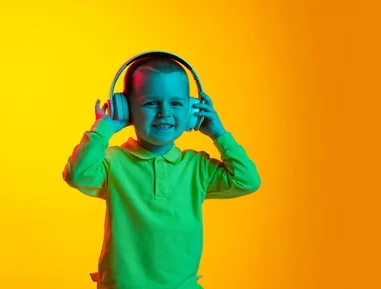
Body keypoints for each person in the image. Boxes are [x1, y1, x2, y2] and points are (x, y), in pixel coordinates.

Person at [62, 56, 261, 289]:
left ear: (191, 111)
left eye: (176, 104)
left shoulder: (197, 167)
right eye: (150, 103)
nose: (164, 113)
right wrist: (104, 128)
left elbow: (247, 180)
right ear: (126, 109)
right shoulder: (113, 162)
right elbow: (76, 175)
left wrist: (218, 133)